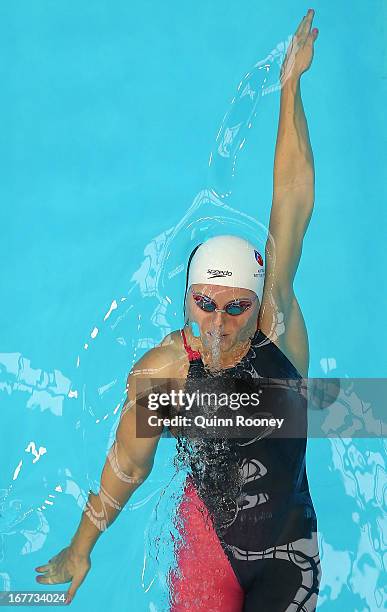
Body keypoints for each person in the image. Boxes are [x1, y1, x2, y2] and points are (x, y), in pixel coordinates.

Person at [35, 9, 320, 610]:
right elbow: (127, 466)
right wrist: (83, 544)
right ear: (186, 298)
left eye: (237, 307)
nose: (218, 324)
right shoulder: (161, 373)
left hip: (287, 551)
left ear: (259, 299)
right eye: (206, 304)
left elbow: (291, 199)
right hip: (207, 546)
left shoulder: (279, 327)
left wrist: (291, 86)